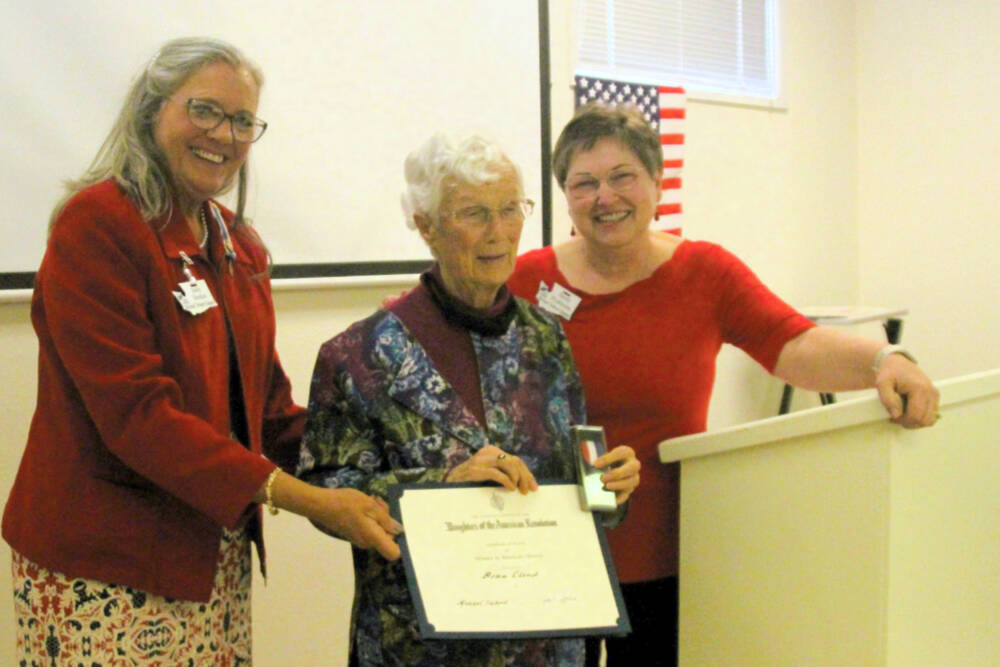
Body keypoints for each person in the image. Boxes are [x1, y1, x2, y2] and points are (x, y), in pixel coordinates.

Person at [1, 37, 400, 664]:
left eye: (243, 120)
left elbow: (269, 413)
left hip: (210, 560)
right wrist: (311, 501)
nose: (225, 133)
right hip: (106, 565)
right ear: (151, 110)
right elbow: (139, 419)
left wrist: (395, 479)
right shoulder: (97, 225)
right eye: (205, 110)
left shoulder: (239, 244)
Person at [507, 103, 940, 667]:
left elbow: (794, 344)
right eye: (584, 183)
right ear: (566, 197)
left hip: (676, 548)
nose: (604, 198)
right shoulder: (527, 279)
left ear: (657, 184)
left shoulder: (705, 274)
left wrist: (884, 358)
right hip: (550, 545)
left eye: (622, 177)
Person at [296, 132, 641, 666]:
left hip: (546, 642)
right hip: (418, 648)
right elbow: (327, 495)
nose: (498, 232)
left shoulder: (546, 339)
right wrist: (441, 489)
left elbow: (571, 476)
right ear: (426, 225)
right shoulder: (357, 355)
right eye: (474, 213)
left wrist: (608, 487)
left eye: (510, 209)